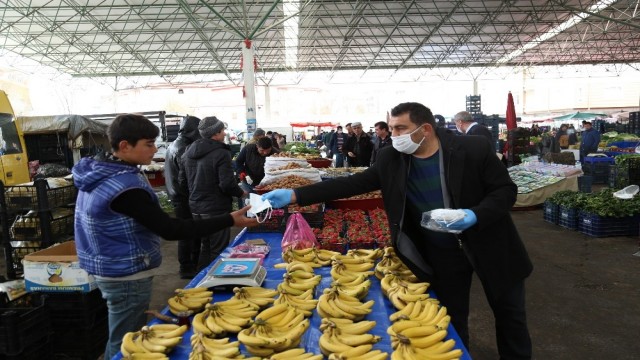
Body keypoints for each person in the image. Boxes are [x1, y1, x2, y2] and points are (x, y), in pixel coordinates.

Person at [263, 102, 533, 359]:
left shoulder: (472, 148)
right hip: (441, 252)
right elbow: (351, 184)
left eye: (400, 128)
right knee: (451, 318)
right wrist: (295, 194)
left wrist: (474, 215)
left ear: (424, 128)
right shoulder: (391, 158)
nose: (393, 134)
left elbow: (505, 190)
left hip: (491, 243)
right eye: (391, 128)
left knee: (510, 315)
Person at [72, 114, 258, 360]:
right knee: (125, 342)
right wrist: (230, 219)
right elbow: (170, 230)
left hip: (105, 264)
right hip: (125, 271)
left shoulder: (99, 172)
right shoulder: (124, 187)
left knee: (124, 335)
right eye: (148, 144)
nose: (154, 149)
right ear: (125, 146)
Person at [180, 116, 249, 271]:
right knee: (219, 248)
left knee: (206, 245)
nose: (224, 133)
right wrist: (241, 193)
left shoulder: (188, 151)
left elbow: (182, 181)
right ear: (216, 133)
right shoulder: (221, 152)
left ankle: (201, 281)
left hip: (196, 207)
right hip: (215, 208)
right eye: (222, 130)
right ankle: (215, 283)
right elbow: (226, 183)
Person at [163, 115, 202, 279]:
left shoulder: (175, 144)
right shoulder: (182, 148)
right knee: (187, 233)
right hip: (182, 197)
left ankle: (191, 263)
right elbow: (184, 177)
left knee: (189, 232)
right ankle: (186, 267)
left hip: (177, 194)